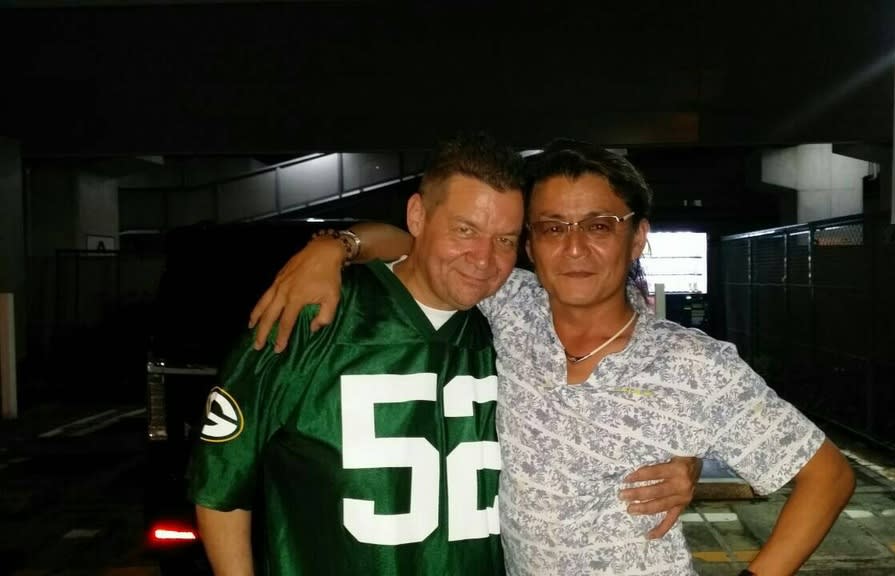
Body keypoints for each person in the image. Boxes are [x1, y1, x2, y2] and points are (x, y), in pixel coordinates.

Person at [252, 138, 857, 576]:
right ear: (531, 246)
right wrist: (335, 247)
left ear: (637, 237)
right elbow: (422, 246)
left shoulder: (695, 365)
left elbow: (827, 477)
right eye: (552, 228)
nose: (574, 249)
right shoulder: (509, 304)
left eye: (599, 226)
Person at [189, 133, 698, 576]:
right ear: (417, 215)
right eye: (464, 230)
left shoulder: (511, 328)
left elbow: (619, 390)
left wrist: (686, 454)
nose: (483, 259)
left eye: (504, 239)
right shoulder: (314, 317)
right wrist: (334, 245)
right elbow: (222, 486)